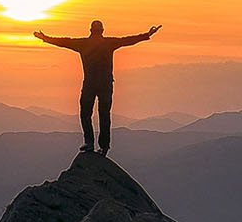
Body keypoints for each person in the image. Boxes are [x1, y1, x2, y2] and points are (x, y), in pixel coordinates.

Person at [32, 20, 161, 155]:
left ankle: (89, 143)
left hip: (90, 84)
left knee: (85, 114)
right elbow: (127, 40)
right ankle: (103, 147)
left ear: (90, 30)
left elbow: (64, 42)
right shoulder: (108, 43)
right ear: (102, 31)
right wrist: (147, 34)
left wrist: (45, 38)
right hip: (105, 84)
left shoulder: (83, 44)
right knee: (104, 115)